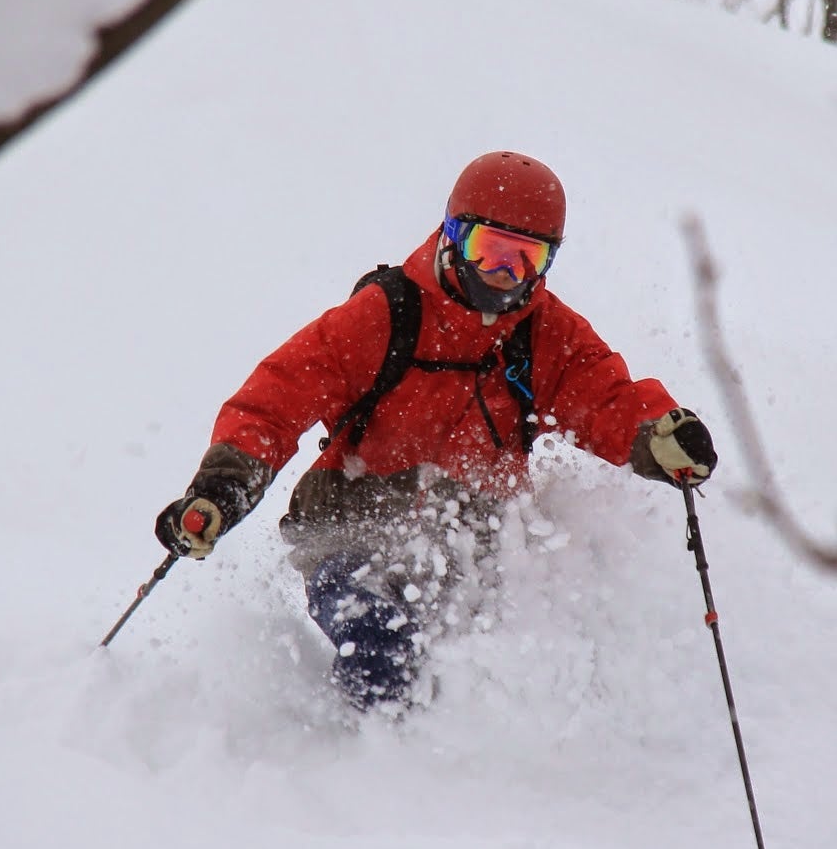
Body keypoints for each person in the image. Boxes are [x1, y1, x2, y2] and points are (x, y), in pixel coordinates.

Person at [155, 151, 717, 709]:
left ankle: (487, 771)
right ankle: (372, 767)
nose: (505, 276)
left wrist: (656, 437)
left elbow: (607, 398)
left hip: (475, 544)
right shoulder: (385, 316)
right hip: (352, 532)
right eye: (490, 251)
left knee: (506, 663)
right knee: (379, 640)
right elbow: (276, 401)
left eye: (527, 259)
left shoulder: (543, 335)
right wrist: (223, 489)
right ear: (451, 235)